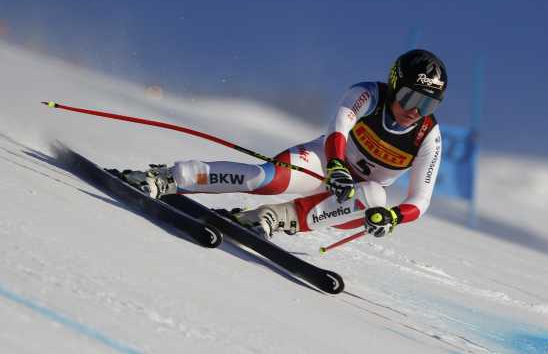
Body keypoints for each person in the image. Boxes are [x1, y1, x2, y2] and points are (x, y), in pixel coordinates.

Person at [121, 49, 446, 241]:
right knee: (263, 179)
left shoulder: (427, 136)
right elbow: (339, 127)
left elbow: (421, 199)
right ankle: (169, 178)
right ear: (394, 86)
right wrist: (336, 165)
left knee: (376, 198)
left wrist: (392, 217)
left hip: (352, 195)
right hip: (326, 163)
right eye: (410, 97)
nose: (415, 110)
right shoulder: (368, 95)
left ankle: (269, 218)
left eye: (428, 104)